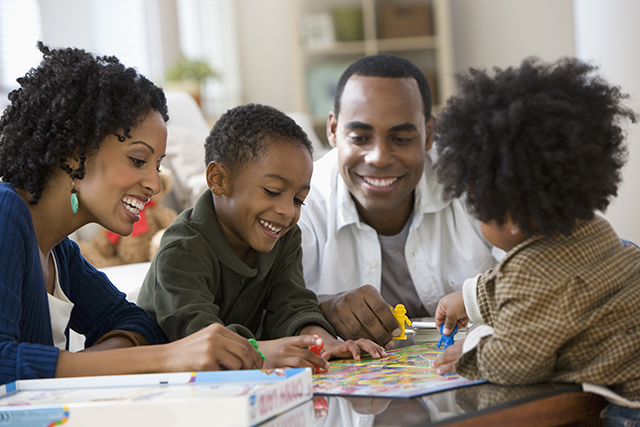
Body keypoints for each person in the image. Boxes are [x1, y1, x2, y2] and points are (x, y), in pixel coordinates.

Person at [0, 43, 266, 385]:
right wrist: (167, 357)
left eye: (158, 166)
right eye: (138, 160)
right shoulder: (6, 214)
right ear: (72, 153)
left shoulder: (58, 251)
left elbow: (137, 323)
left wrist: (93, 365)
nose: (154, 184)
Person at [431, 57, 640, 425]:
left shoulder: (529, 273)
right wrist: (467, 298)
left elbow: (517, 361)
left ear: (509, 218)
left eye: (477, 205)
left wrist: (472, 349)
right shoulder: (594, 229)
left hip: (623, 408)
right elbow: (534, 289)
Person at [137, 103, 385, 372]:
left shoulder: (284, 238)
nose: (287, 211)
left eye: (299, 200)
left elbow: (292, 304)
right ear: (218, 179)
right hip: (170, 389)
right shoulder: (182, 249)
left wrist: (321, 342)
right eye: (272, 191)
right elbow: (197, 337)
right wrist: (263, 351)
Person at [299, 54, 497, 349]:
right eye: (359, 137)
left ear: (428, 133)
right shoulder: (301, 202)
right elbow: (268, 310)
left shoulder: (474, 180)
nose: (378, 157)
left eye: (401, 138)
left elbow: (543, 269)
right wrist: (323, 309)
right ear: (333, 130)